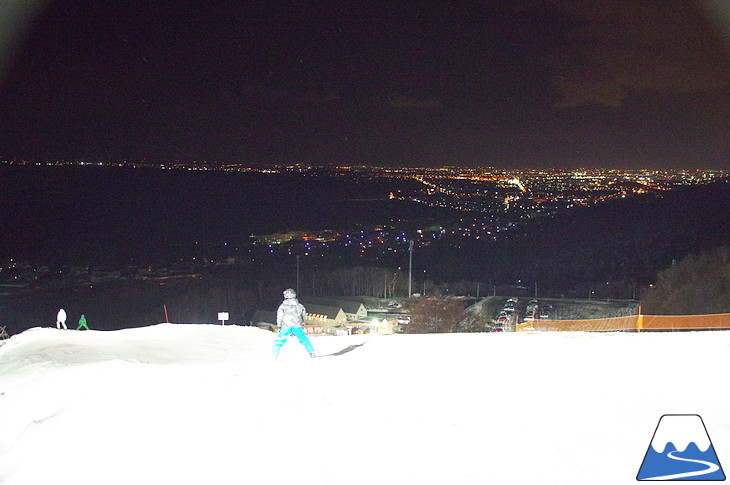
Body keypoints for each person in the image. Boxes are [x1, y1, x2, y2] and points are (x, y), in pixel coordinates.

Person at [272, 288, 315, 359]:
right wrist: (303, 323)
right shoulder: (299, 306)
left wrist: (279, 325)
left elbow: (279, 316)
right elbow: (303, 315)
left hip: (286, 326)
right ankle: (311, 352)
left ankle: (275, 354)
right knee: (303, 339)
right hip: (297, 325)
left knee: (280, 340)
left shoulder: (282, 306)